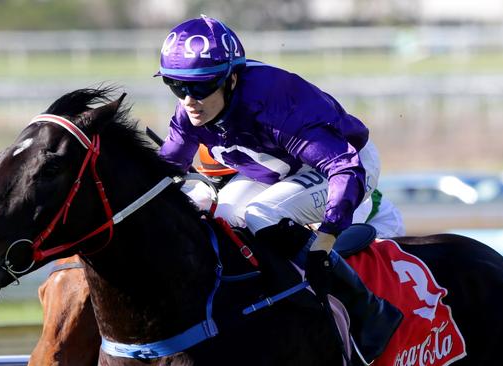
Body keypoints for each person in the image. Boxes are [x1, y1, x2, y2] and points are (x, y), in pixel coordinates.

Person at [156, 15, 403, 363]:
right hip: (280, 169)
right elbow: (163, 171)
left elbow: (343, 167)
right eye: (176, 86)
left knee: (263, 214)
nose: (189, 100)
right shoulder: (189, 111)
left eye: (201, 86)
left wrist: (328, 236)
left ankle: (369, 309)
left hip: (343, 164)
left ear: (232, 78)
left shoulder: (274, 103)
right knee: (222, 217)